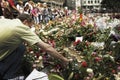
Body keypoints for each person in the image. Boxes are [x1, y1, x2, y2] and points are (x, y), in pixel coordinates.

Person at [0, 13, 69, 80]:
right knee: (21, 48)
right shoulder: (21, 27)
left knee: (20, 46)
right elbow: (47, 48)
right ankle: (10, 76)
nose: (30, 29)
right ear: (25, 21)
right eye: (30, 27)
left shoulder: (7, 21)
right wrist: (63, 59)